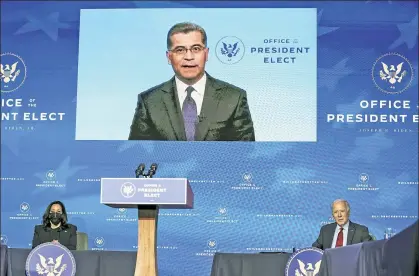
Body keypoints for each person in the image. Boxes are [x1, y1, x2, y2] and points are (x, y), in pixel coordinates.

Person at [128, 22, 255, 141]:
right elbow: (137, 154)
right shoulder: (149, 101)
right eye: (180, 50)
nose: (189, 57)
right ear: (169, 57)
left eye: (196, 49)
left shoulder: (234, 98)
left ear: (206, 54)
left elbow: (244, 156)